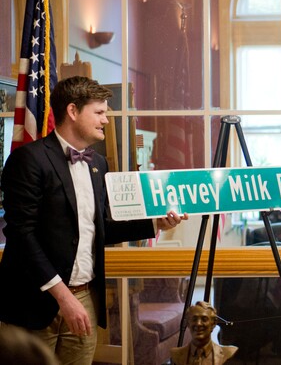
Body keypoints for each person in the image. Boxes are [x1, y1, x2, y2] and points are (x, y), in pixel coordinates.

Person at [0, 76, 188, 365]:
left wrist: (155, 224)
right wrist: (64, 298)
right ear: (73, 111)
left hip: (86, 297)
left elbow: (102, 227)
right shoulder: (28, 159)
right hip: (34, 303)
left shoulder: (98, 164)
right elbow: (22, 236)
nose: (106, 120)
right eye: (99, 112)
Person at [170, 301, 237, 365]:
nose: (198, 324)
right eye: (194, 319)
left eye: (204, 319)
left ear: (213, 323)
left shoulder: (228, 352)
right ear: (188, 323)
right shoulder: (176, 354)